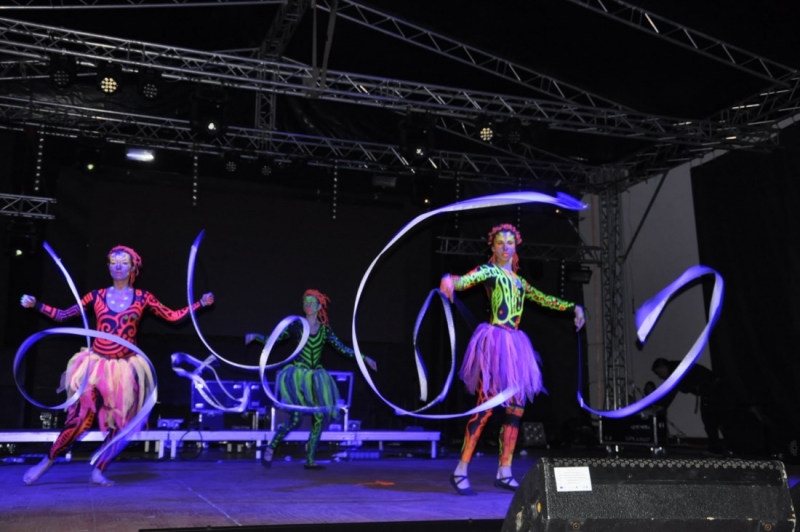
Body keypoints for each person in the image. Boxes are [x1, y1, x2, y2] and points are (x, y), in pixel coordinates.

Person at [20, 245, 214, 486]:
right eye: (113, 262)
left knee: (123, 425)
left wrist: (200, 304)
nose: (118, 267)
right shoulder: (96, 296)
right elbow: (64, 315)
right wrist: (36, 305)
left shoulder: (143, 297)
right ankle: (46, 462)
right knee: (79, 420)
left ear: (133, 267)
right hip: (95, 366)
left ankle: (98, 470)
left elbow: (172, 316)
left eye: (124, 262)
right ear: (109, 267)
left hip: (124, 369)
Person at [439, 223, 584, 495]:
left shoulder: (520, 281)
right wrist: (451, 280)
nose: (505, 247)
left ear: (516, 247)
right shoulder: (489, 271)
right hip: (496, 345)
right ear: (493, 247)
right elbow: (465, 280)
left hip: (517, 349)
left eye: (510, 243)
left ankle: (504, 471)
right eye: (500, 243)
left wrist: (572, 307)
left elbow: (544, 299)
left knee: (515, 410)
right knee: (485, 408)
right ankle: (460, 470)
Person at [246, 289, 377, 470]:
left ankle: (310, 460)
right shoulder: (297, 327)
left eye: (312, 303)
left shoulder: (325, 331)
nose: (308, 305)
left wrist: (364, 358)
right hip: (298, 376)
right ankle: (271, 447)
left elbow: (342, 348)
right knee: (295, 418)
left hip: (316, 378)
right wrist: (256, 337)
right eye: (306, 303)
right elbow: (275, 339)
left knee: (319, 417)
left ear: (319, 306)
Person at [651, 358, 724, 454]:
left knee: (709, 419)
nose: (660, 376)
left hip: (710, 389)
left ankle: (716, 449)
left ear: (663, 367)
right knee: (716, 418)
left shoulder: (676, 371)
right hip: (713, 388)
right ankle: (728, 447)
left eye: (659, 373)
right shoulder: (677, 367)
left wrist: (661, 405)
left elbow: (671, 390)